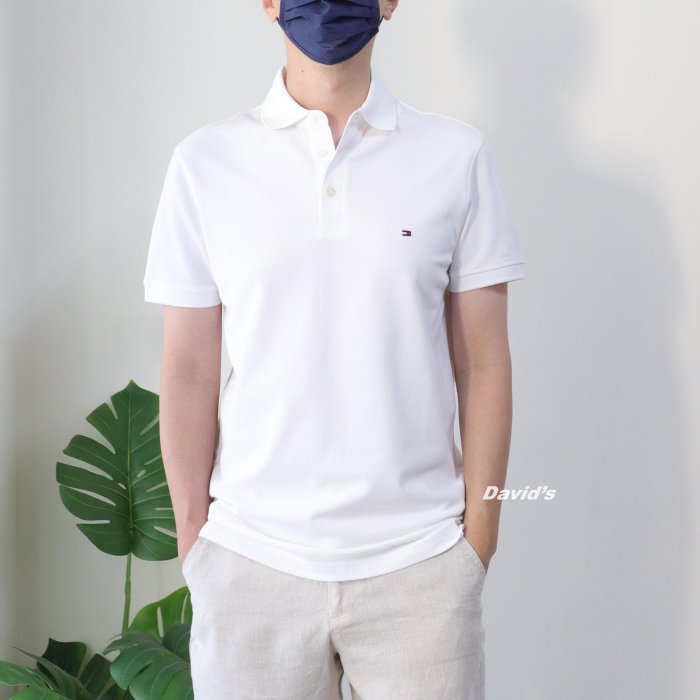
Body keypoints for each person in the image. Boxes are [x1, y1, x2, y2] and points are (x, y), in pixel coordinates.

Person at [142, 0, 525, 697]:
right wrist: (195, 538)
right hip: (250, 563)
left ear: (390, 2)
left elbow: (484, 363)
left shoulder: (456, 156)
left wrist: (479, 539)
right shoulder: (205, 162)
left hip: (423, 565)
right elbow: (189, 368)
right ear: (268, 3)